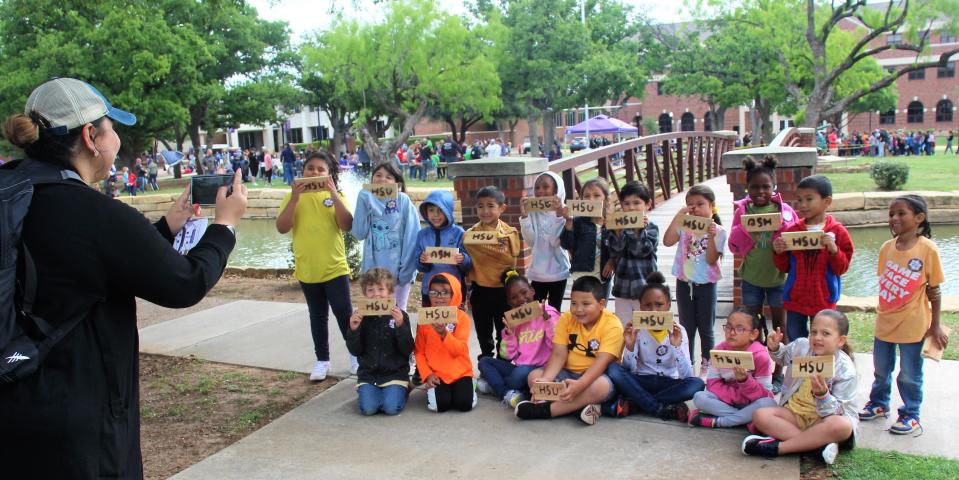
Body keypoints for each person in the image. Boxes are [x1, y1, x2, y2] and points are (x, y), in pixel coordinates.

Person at [0, 77, 246, 478]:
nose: (116, 139)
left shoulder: (14, 190)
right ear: (91, 136)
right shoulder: (94, 212)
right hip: (79, 420)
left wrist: (166, 227)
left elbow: (86, 265)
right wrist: (225, 226)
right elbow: (183, 283)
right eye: (112, 128)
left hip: (14, 399)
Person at [860, 195, 946, 435]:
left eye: (901, 213)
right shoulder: (886, 248)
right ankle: (879, 404)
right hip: (885, 323)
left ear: (919, 218)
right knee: (881, 369)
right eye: (891, 214)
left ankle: (910, 414)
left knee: (909, 374)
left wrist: (935, 325)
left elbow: (934, 291)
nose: (894, 218)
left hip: (914, 325)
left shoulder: (927, 249)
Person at [276, 151, 356, 381]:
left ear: (330, 174)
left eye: (321, 169)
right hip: (308, 269)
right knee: (317, 315)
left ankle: (355, 356)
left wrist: (333, 194)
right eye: (311, 168)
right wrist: (293, 198)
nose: (315, 173)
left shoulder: (336, 195)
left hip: (335, 267)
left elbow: (347, 224)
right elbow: (282, 227)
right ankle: (322, 360)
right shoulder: (292, 197)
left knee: (343, 313)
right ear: (303, 171)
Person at [744, 310, 858, 466]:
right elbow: (783, 357)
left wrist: (823, 395)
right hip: (794, 413)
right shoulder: (801, 346)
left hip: (822, 419)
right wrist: (775, 347)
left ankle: (779, 448)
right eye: (814, 332)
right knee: (759, 415)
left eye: (826, 333)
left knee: (842, 426)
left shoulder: (846, 370)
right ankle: (815, 447)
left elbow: (841, 411)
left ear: (841, 340)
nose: (817, 337)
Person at [728, 155, 798, 391]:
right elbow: (732, 245)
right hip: (751, 279)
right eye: (755, 186)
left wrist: (782, 230)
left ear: (773, 186)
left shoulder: (784, 210)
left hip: (778, 279)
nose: (760, 191)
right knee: (751, 327)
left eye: (765, 186)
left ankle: (778, 373)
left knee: (780, 327)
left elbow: (794, 237)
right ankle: (756, 370)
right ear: (747, 187)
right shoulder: (742, 210)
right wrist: (744, 228)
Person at [515, 276, 623, 425]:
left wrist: (580, 385)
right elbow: (559, 354)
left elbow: (601, 363)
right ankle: (580, 406)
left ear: (601, 304)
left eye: (586, 304)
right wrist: (545, 381)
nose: (578, 309)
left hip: (595, 376)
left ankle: (546, 410)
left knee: (601, 387)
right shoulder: (566, 318)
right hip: (566, 375)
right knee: (535, 376)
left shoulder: (613, 325)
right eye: (573, 303)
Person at [603, 272, 704, 422]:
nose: (654, 311)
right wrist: (629, 347)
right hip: (642, 380)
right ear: (640, 306)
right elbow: (628, 369)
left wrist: (676, 347)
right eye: (647, 305)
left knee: (697, 384)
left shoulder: (679, 331)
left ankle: (637, 403)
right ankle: (659, 407)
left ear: (668, 304)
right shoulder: (637, 329)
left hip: (669, 383)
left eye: (659, 304)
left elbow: (687, 375)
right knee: (613, 368)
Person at [773, 176, 854, 341]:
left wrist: (834, 250)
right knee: (797, 341)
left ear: (827, 201)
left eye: (809, 199)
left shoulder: (838, 232)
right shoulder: (792, 230)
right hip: (796, 298)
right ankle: (797, 366)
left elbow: (842, 268)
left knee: (822, 342)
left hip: (824, 298)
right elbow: (784, 267)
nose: (803, 205)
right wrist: (778, 252)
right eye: (799, 200)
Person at [663, 184, 727, 376]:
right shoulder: (685, 226)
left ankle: (707, 364)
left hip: (707, 285)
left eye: (700, 204)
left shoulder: (719, 231)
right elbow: (667, 241)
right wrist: (680, 216)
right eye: (691, 205)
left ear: (712, 206)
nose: (695, 208)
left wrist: (711, 236)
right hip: (684, 282)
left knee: (706, 328)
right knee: (686, 326)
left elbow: (710, 259)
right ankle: (687, 362)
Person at [477, 270, 559, 408]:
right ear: (509, 302)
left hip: (542, 368)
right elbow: (508, 356)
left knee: (518, 375)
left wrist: (548, 321)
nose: (520, 299)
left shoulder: (548, 312)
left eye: (524, 292)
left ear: (532, 291)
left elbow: (557, 347)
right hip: (520, 368)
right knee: (484, 362)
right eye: (514, 297)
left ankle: (497, 386)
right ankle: (507, 393)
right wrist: (509, 334)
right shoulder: (513, 320)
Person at [689, 308, 776, 428]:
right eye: (729, 327)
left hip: (752, 402)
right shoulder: (719, 350)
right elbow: (712, 384)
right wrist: (736, 398)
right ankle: (746, 421)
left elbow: (764, 393)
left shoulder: (761, 355)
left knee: (769, 403)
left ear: (753, 334)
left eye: (740, 329)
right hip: (727, 401)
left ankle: (719, 422)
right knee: (699, 397)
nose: (732, 332)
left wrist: (744, 381)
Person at [346, 268, 414, 416]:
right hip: (369, 376)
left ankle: (402, 390)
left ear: (390, 293)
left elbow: (407, 349)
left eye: (381, 289)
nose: (376, 294)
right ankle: (368, 392)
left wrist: (400, 326)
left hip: (395, 375)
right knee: (369, 409)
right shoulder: (360, 317)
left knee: (390, 408)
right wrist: (353, 330)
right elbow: (355, 350)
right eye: (370, 290)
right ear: (365, 294)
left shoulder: (400, 316)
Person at [351, 163, 419, 310]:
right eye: (378, 175)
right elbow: (358, 233)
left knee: (398, 315)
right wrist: (362, 200)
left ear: (397, 183)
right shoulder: (367, 200)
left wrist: (406, 272)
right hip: (373, 275)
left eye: (389, 177)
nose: (382, 179)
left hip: (398, 274)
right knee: (376, 318)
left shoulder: (402, 201)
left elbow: (412, 238)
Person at [464, 186, 521, 360]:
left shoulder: (510, 233)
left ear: (502, 208)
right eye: (480, 206)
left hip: (503, 291)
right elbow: (469, 254)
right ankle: (486, 360)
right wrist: (496, 249)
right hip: (480, 289)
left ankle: (503, 361)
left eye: (490, 206)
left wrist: (488, 250)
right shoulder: (470, 234)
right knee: (483, 330)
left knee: (504, 329)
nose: (485, 211)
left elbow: (509, 260)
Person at [415, 273, 476, 412]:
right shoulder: (425, 319)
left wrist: (444, 334)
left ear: (454, 294)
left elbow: (459, 350)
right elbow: (419, 352)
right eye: (434, 292)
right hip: (436, 373)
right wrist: (427, 374)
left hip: (461, 371)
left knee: (464, 404)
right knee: (440, 405)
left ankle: (471, 384)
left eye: (445, 292)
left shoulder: (462, 318)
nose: (439, 297)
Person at [606, 181, 659, 325]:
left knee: (646, 327)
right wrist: (616, 231)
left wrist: (638, 230)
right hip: (622, 287)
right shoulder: (618, 226)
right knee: (624, 326)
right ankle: (627, 348)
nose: (631, 207)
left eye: (637, 203)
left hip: (645, 287)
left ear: (647, 204)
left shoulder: (652, 228)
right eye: (626, 203)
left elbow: (641, 250)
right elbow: (615, 249)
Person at [520, 172, 571, 312]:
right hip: (538, 272)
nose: (540, 191)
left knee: (555, 311)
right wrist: (525, 217)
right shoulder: (532, 211)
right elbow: (531, 241)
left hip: (559, 271)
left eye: (546, 187)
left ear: (556, 189)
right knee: (536, 311)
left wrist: (558, 216)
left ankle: (554, 334)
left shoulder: (564, 211)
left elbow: (555, 242)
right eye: (537, 187)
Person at [413, 190, 472, 306]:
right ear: (425, 212)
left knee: (454, 323)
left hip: (454, 289)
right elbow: (419, 265)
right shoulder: (422, 235)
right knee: (431, 323)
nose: (435, 215)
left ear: (448, 211)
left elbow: (469, 265)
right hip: (429, 291)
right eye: (431, 210)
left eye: (440, 210)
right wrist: (422, 260)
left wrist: (463, 259)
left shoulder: (459, 233)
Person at [561, 178, 612, 298]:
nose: (591, 199)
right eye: (586, 196)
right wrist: (568, 222)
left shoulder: (611, 223)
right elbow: (566, 244)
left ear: (606, 200)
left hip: (603, 277)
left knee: (601, 312)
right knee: (581, 310)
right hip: (581, 276)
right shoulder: (577, 222)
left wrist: (612, 261)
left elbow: (618, 246)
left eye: (596, 195)